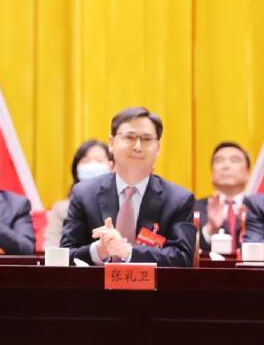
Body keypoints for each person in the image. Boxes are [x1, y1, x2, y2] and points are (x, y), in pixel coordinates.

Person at [60, 107, 196, 266]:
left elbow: (182, 257)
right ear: (111, 143)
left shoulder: (178, 200)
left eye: (146, 139)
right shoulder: (84, 194)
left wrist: (127, 251)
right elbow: (65, 255)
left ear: (158, 148)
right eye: (129, 137)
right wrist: (99, 250)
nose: (137, 146)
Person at [44, 140, 113, 248]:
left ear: (112, 166)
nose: (92, 165)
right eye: (86, 161)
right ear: (76, 168)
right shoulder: (62, 209)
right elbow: (51, 246)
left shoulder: (121, 202)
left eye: (99, 161)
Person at [194, 142, 251, 252]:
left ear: (248, 173)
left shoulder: (259, 209)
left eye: (235, 160)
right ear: (212, 173)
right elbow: (187, 250)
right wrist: (211, 229)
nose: (226, 166)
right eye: (219, 160)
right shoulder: (193, 208)